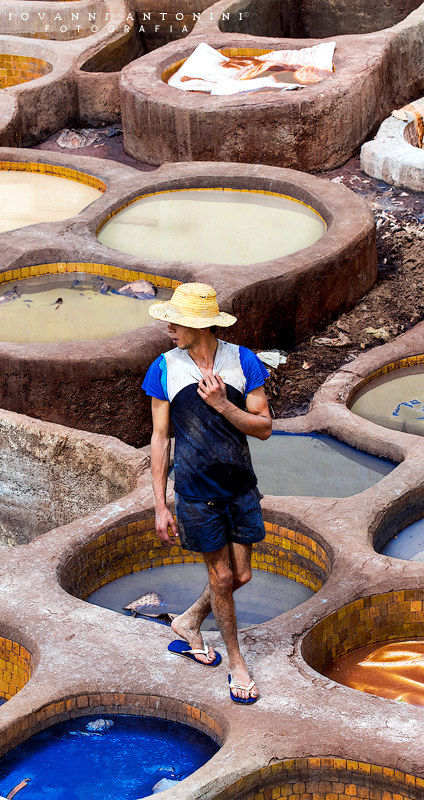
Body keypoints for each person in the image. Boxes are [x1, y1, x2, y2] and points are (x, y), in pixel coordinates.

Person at [141, 283, 272, 704]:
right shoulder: (163, 368)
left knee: (241, 576)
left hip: (240, 487)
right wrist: (161, 504)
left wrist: (222, 405)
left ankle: (188, 621)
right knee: (220, 577)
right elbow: (160, 439)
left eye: (176, 323)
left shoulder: (243, 361)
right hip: (196, 493)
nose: (169, 329)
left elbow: (265, 427)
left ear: (201, 325)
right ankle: (237, 664)